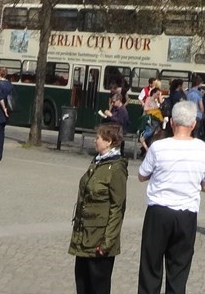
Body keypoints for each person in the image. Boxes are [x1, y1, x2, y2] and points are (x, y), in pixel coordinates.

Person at [136, 100, 205, 294]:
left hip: (159, 211)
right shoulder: (202, 148)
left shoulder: (158, 147)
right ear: (193, 124)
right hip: (186, 214)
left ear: (171, 123)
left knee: (150, 268)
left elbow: (141, 175)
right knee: (178, 271)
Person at [70, 120, 128, 294]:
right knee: (82, 284)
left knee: (98, 287)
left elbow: (118, 208)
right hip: (84, 236)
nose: (95, 141)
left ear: (109, 141)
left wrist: (107, 243)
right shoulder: (97, 162)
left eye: (98, 138)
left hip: (100, 240)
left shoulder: (116, 168)